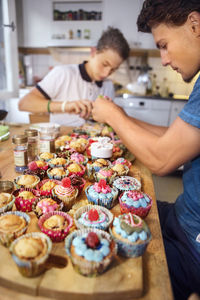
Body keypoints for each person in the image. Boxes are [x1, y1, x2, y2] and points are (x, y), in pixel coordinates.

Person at [92, 1, 200, 299]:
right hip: (184, 215)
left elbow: (162, 160)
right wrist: (119, 115)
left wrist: (113, 116)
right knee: (110, 214)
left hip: (193, 243)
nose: (163, 59)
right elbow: (172, 139)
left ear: (195, 25)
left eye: (164, 45)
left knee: (113, 280)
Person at [18, 27, 130, 126]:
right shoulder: (63, 73)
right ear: (93, 52)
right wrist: (65, 106)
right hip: (62, 142)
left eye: (113, 69)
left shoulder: (108, 85)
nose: (106, 73)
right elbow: (24, 103)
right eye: (105, 64)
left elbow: (106, 122)